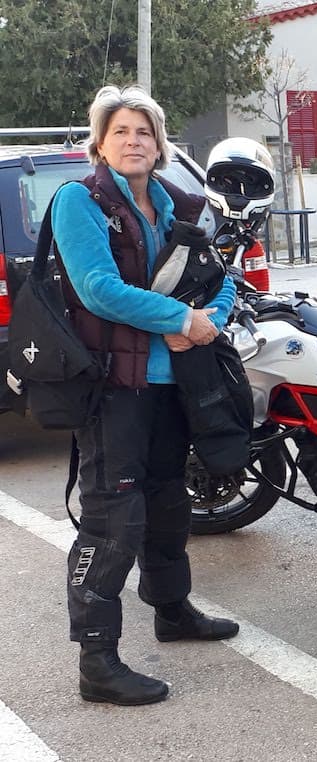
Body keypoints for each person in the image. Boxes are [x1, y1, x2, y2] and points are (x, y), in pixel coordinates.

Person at [52, 85, 239, 706]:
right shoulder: (79, 201)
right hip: (114, 387)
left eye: (144, 132)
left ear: (160, 145)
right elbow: (98, 288)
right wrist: (181, 322)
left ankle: (173, 610)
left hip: (173, 386)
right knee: (113, 519)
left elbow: (223, 276)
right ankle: (97, 661)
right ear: (100, 143)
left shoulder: (178, 204)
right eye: (120, 131)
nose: (133, 141)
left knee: (168, 503)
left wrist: (208, 318)